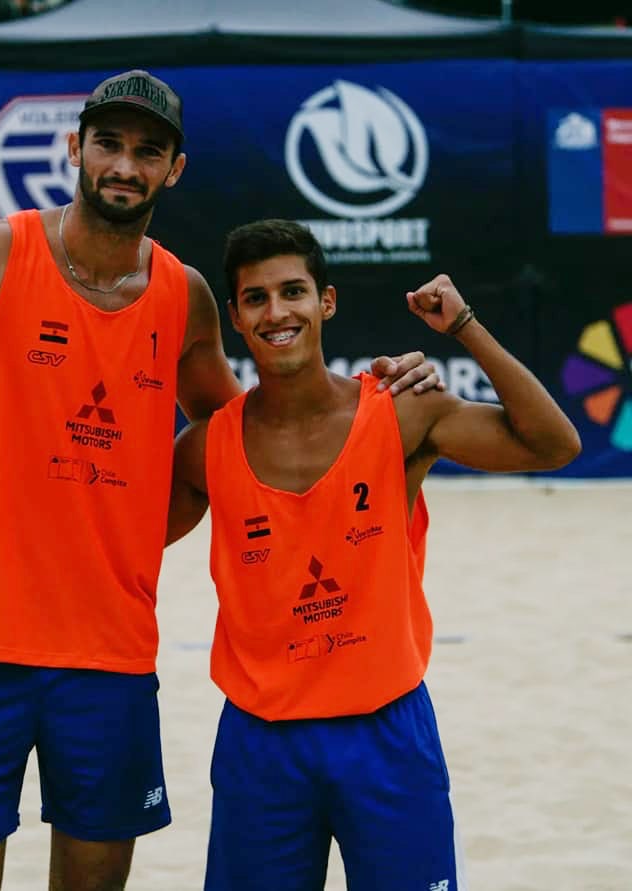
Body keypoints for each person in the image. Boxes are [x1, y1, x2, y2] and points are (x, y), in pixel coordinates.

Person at [0, 70, 439, 891]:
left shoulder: (185, 297)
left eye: (148, 150)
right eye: (110, 144)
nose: (125, 165)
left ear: (174, 169)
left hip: (109, 656)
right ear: (76, 149)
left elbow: (250, 445)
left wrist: (378, 398)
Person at [167, 220, 581, 891]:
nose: (277, 312)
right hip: (261, 742)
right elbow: (114, 537)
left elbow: (552, 445)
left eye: (293, 291)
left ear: (326, 301)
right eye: (256, 299)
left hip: (386, 731)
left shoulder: (401, 412)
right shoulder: (206, 448)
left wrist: (467, 328)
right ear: (237, 319)